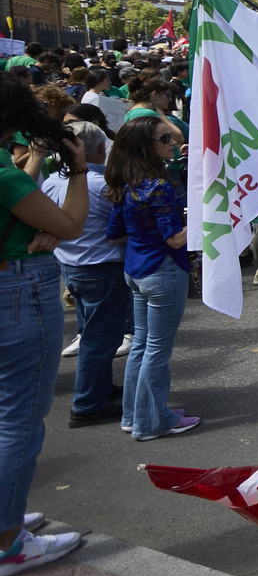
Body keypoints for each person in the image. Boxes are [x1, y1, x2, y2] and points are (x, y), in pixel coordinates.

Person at [0, 76, 90, 576]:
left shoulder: (9, 174)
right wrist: (76, 169)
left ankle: (6, 517)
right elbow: (70, 225)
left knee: (6, 417)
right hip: (19, 293)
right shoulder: (6, 177)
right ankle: (9, 542)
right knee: (18, 422)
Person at [106, 116, 197, 441]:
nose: (172, 142)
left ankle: (137, 415)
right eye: (165, 139)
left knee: (143, 347)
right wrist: (202, 222)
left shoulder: (126, 181)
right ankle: (152, 421)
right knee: (156, 351)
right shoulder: (156, 186)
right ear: (147, 146)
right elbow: (174, 239)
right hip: (162, 271)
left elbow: (115, 235)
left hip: (136, 269)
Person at [43, 122, 131, 428]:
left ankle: (99, 389)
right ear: (100, 149)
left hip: (73, 265)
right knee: (100, 339)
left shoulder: (53, 180)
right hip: (100, 268)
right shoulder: (100, 185)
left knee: (95, 334)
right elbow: (121, 228)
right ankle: (88, 403)